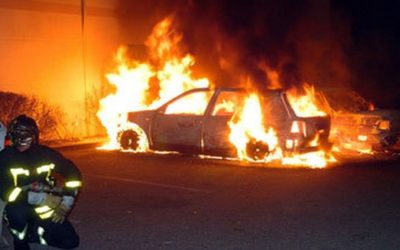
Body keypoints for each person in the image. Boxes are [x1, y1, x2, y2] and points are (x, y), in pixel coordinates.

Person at [0, 115, 82, 250]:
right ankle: (20, 241)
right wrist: (40, 198)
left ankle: (33, 234)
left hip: (44, 205)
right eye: (17, 132)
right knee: (17, 213)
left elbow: (73, 173)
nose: (21, 138)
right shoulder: (5, 157)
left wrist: (67, 203)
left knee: (70, 242)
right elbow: (6, 193)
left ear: (34, 135)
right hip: (19, 203)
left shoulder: (45, 154)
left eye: (25, 133)